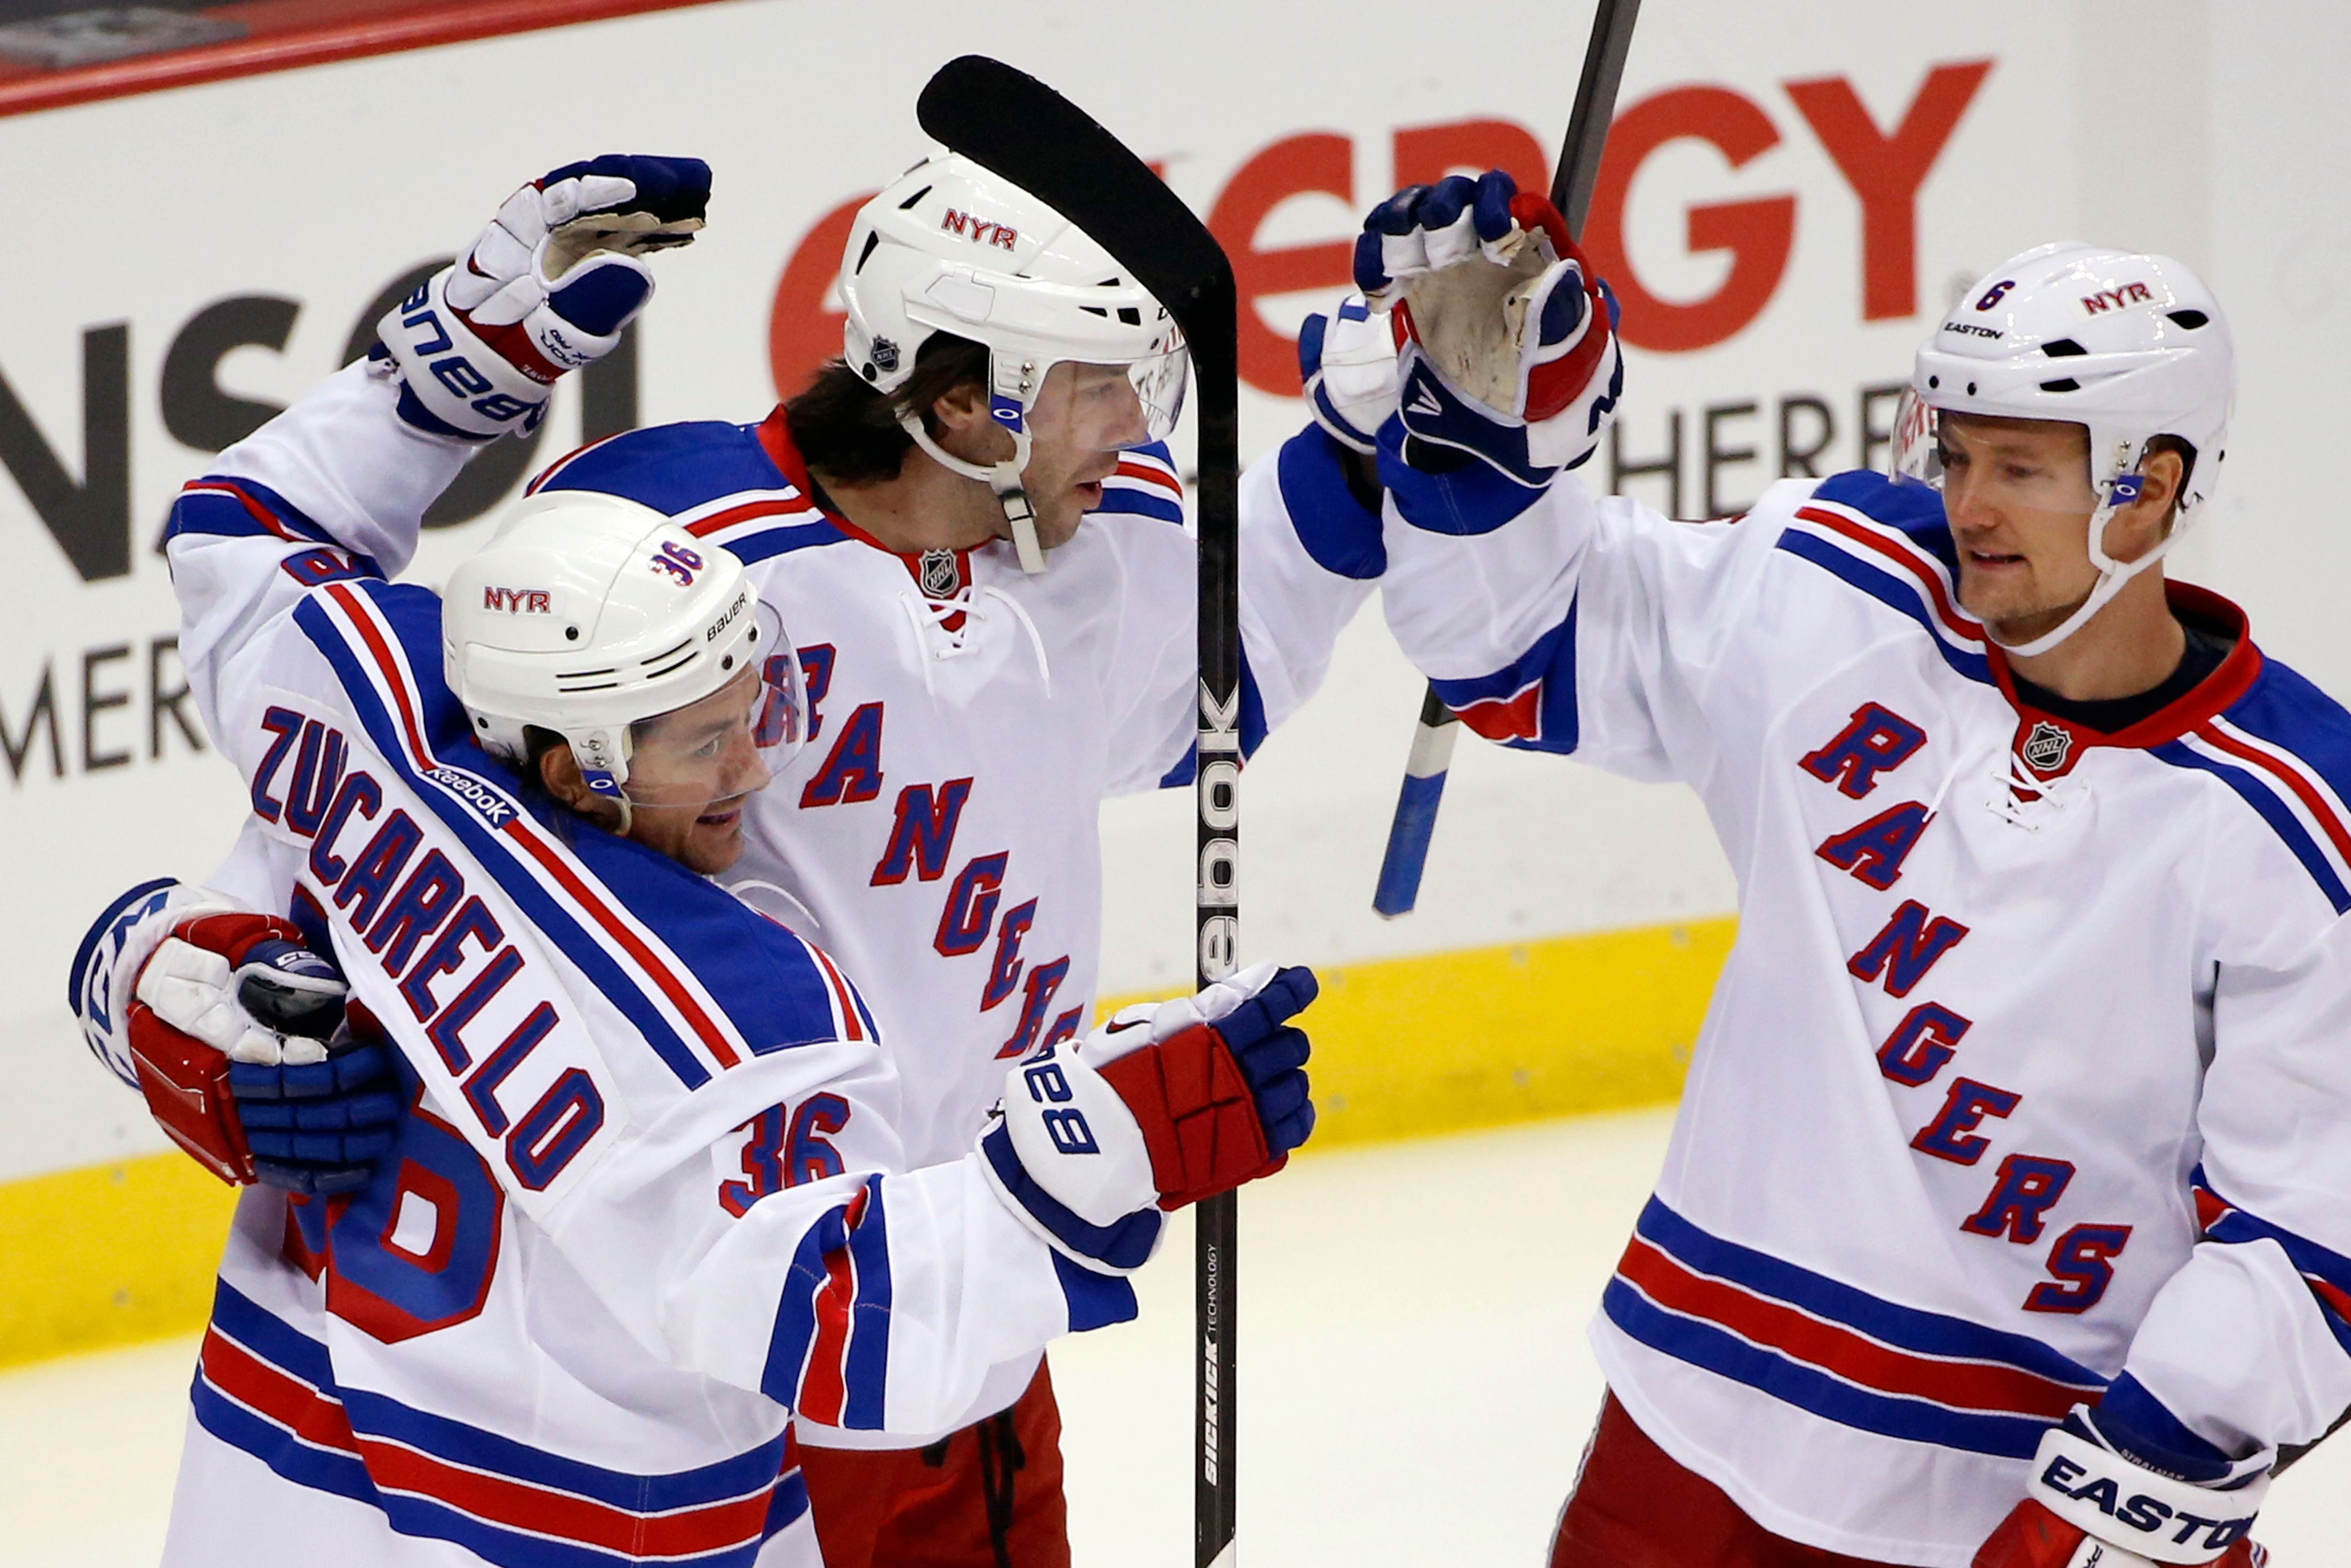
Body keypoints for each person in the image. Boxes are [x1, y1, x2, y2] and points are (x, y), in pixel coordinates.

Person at [86, 137, 1627, 1566]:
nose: (1137, 424)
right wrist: (189, 974)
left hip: (954, 1284)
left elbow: (1209, 687)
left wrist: (1366, 456)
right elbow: (421, 830)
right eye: (1099, 383)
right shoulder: (656, 554)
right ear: (964, 405)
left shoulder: (1097, 528)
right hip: (739, 1310)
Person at [1330, 169, 2351, 1566]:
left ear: (2148, 490)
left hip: (2021, 1485)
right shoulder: (1839, 588)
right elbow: (1520, 647)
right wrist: (1478, 456)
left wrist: (2142, 1480)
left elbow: (2309, 1226)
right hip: (1698, 1422)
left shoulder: (2295, 821)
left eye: (2021, 469)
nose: (1969, 503)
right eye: (1959, 456)